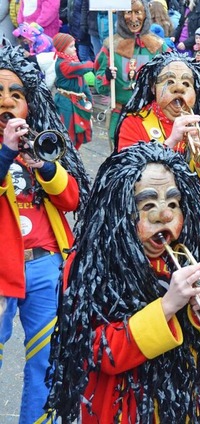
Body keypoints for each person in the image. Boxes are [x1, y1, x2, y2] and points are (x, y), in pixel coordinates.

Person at [46, 142, 200, 423]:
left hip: (195, 409)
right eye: (148, 205)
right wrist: (166, 308)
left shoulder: (194, 254)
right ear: (120, 210)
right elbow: (98, 352)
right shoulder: (89, 263)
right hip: (125, 410)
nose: (165, 215)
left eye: (173, 203)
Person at [0, 45, 90, 424]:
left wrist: (46, 168)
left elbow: (72, 200)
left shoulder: (39, 141)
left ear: (29, 105)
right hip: (3, 272)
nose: (6, 101)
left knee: (47, 364)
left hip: (45, 267)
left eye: (15, 95)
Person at [115, 52, 200, 240]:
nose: (179, 88)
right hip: (151, 227)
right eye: (169, 81)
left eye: (186, 83)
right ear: (153, 87)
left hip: (196, 227)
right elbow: (127, 182)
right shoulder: (133, 123)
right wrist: (170, 143)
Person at [94, 0, 170, 141]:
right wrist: (106, 77)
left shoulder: (158, 46)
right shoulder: (111, 45)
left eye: (138, 12)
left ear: (145, 15)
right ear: (122, 16)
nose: (134, 19)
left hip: (150, 118)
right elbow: (100, 87)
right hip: (120, 118)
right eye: (129, 12)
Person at [52, 33, 94, 150]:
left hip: (78, 103)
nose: (75, 49)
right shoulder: (62, 64)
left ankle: (75, 157)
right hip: (66, 103)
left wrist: (90, 102)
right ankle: (66, 162)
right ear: (62, 48)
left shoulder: (73, 60)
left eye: (74, 45)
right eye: (71, 46)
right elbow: (81, 68)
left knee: (80, 134)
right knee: (67, 137)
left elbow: (83, 84)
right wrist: (96, 64)